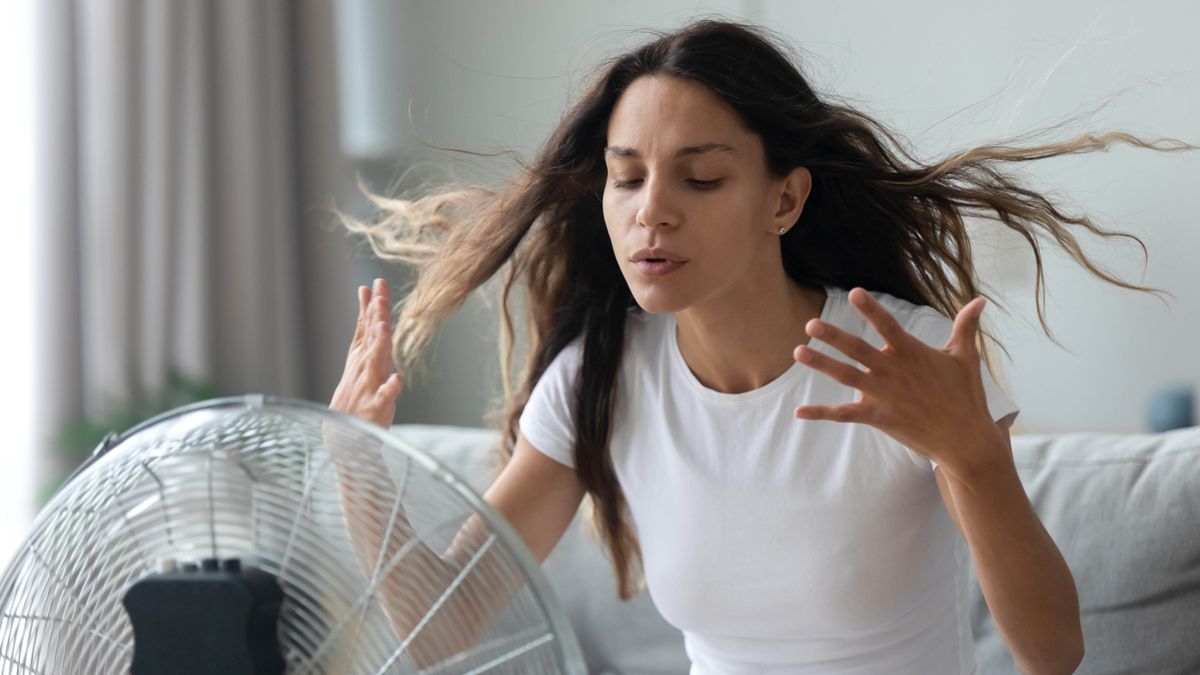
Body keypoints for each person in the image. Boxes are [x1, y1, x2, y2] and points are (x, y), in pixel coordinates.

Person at [329, 18, 1190, 675]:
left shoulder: (905, 357)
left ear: (784, 201)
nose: (650, 210)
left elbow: (1053, 650)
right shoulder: (600, 377)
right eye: (627, 177)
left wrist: (974, 457)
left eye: (699, 178)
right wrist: (354, 459)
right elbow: (443, 622)